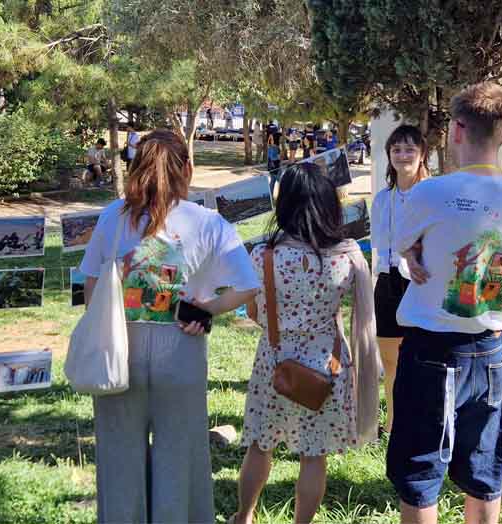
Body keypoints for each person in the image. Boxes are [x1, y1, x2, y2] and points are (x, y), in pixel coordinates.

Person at [79, 129, 260, 524]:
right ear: (188, 169)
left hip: (119, 351)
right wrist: (208, 309)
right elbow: (248, 286)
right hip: (182, 351)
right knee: (181, 457)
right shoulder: (208, 222)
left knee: (118, 457)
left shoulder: (112, 216)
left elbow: (91, 286)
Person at [387, 82, 502, 524]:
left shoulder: (429, 193)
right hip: (491, 350)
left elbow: (399, 247)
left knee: (419, 477)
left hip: (432, 350)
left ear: (455, 130)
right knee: (485, 473)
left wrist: (413, 253)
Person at [230, 163, 380, 524]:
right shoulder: (348, 255)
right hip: (327, 368)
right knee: (315, 456)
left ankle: (243, 516)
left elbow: (253, 312)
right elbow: (364, 316)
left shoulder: (264, 255)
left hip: (274, 364)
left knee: (259, 445)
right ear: (329, 204)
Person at [370, 124, 430, 434]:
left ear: (422, 155)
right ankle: (393, 426)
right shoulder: (382, 199)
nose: (403, 155)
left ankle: (420, 425)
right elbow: (380, 245)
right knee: (390, 361)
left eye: (409, 149)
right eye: (396, 150)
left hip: (422, 283)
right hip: (388, 283)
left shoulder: (434, 195)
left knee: (422, 361)